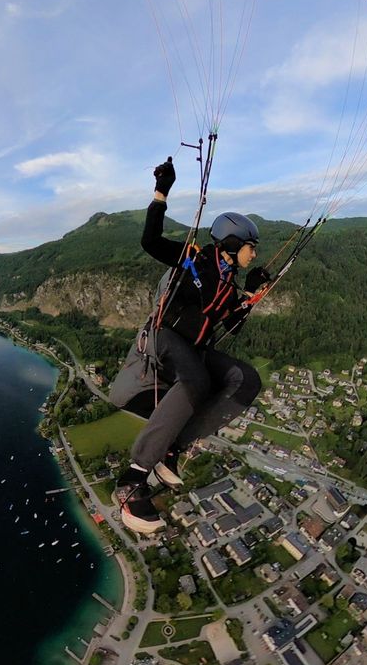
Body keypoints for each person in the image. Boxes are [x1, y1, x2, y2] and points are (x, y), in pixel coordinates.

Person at [109, 157, 270, 533]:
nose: (254, 254)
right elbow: (150, 241)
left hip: (193, 350)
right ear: (232, 243)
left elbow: (230, 323)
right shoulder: (194, 259)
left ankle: (171, 449)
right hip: (165, 337)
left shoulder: (230, 283)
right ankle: (133, 479)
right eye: (251, 247)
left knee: (245, 380)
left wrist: (250, 293)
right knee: (197, 381)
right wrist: (161, 191)